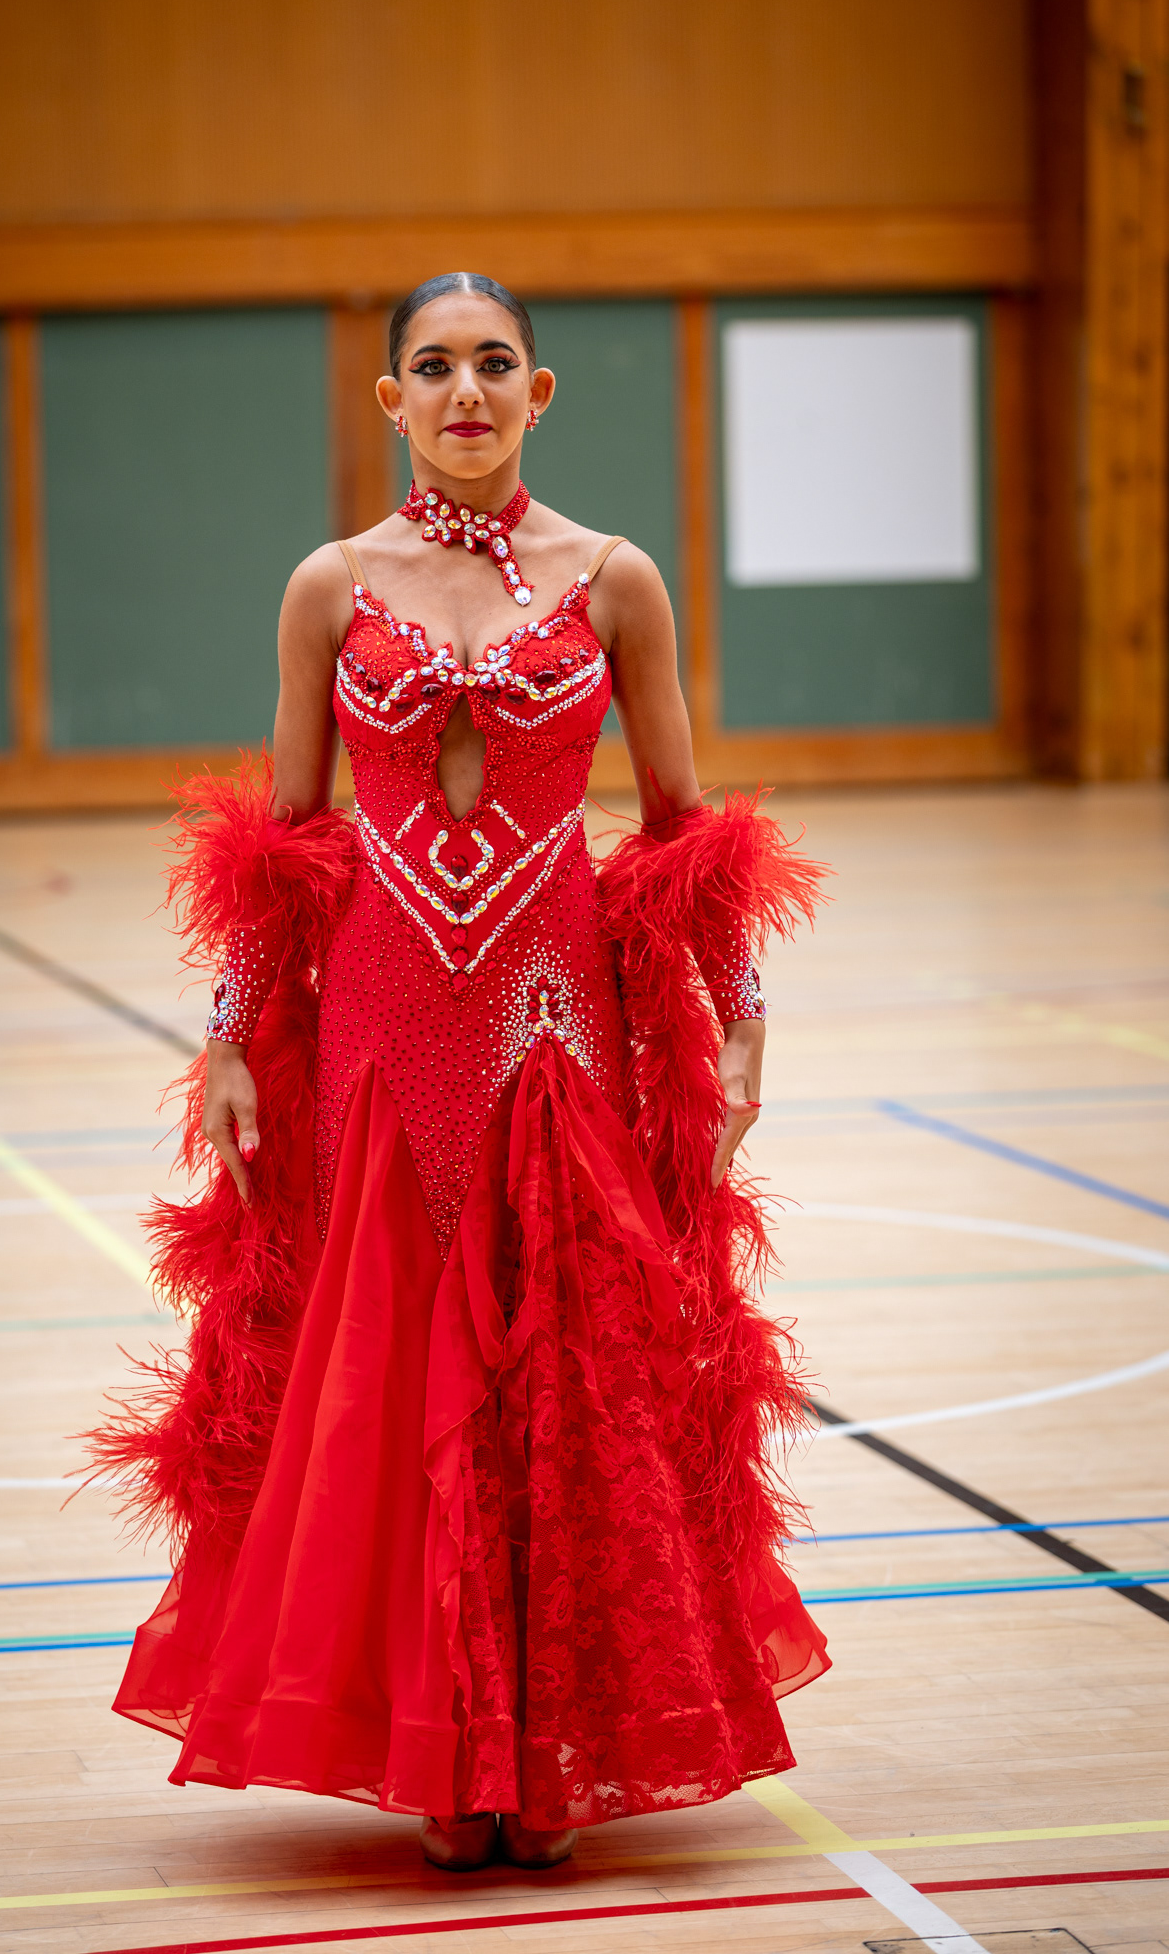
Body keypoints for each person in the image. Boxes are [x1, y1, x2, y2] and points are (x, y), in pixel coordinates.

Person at [88, 271, 829, 1873]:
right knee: (394, 1373)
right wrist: (228, 1035)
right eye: (434, 367)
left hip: (556, 1021)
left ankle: (548, 1749)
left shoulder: (615, 579)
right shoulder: (329, 586)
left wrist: (741, 1003)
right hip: (378, 1026)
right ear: (392, 400)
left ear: (538, 392)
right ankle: (441, 1746)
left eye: (495, 363)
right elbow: (287, 842)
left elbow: (682, 821)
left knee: (565, 1371)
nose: (466, 391)